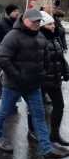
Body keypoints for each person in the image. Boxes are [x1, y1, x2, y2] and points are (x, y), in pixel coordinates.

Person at [0, 9, 69, 159]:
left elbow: (45, 57)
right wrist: (18, 76)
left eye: (39, 21)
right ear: (25, 20)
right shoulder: (12, 36)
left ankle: (46, 149)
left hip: (33, 85)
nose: (36, 23)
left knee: (39, 115)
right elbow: (2, 58)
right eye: (34, 21)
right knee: (4, 112)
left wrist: (43, 73)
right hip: (14, 85)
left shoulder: (40, 36)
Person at [27, 11, 69, 146]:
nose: (53, 26)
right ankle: (32, 131)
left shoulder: (54, 38)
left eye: (53, 24)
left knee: (59, 106)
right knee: (35, 108)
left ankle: (54, 134)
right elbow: (32, 61)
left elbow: (60, 58)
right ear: (42, 25)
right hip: (41, 81)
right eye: (50, 24)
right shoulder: (37, 39)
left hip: (55, 79)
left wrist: (66, 71)